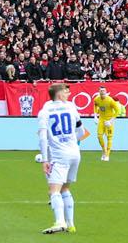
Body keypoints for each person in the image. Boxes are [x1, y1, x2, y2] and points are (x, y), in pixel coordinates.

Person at [37, 82, 89, 234]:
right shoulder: (72, 107)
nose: (68, 95)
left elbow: (43, 138)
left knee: (53, 190)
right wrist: (73, 141)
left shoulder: (44, 112)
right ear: (60, 95)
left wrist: (45, 159)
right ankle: (71, 224)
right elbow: (81, 132)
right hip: (75, 153)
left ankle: (59, 221)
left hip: (60, 155)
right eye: (66, 92)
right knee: (65, 188)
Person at [93, 85, 125, 162]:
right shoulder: (96, 99)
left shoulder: (110, 100)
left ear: (106, 92)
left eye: (103, 91)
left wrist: (111, 120)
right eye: (101, 91)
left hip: (108, 120)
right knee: (99, 136)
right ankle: (104, 151)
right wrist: (95, 116)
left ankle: (107, 155)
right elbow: (95, 106)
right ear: (99, 91)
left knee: (109, 137)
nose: (102, 92)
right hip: (101, 120)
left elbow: (117, 111)